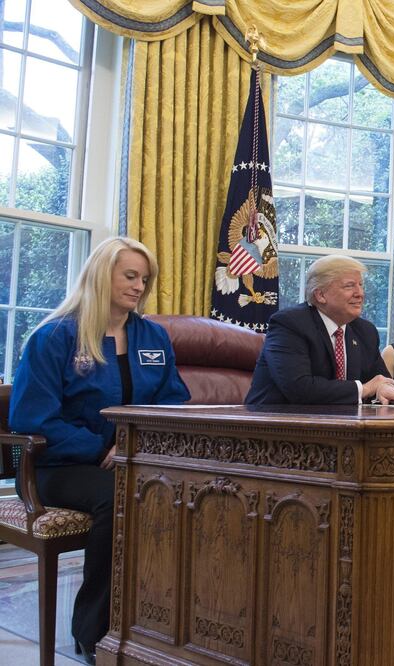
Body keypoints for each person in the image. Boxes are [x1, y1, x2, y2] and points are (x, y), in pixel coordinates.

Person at [8, 236, 191, 663]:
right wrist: (100, 448)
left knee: (188, 494)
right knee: (121, 497)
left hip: (133, 459)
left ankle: (159, 621)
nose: (139, 287)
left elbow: (175, 401)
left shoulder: (152, 336)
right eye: (130, 276)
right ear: (100, 274)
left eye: (144, 279)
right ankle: (95, 631)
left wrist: (132, 446)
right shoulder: (55, 336)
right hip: (56, 467)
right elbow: (34, 420)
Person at [245, 255, 394, 405]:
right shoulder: (289, 324)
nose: (360, 293)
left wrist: (385, 388)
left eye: (361, 285)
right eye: (349, 286)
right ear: (320, 295)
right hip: (274, 428)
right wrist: (365, 388)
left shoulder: (365, 331)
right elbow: (300, 388)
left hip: (343, 428)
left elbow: (381, 381)